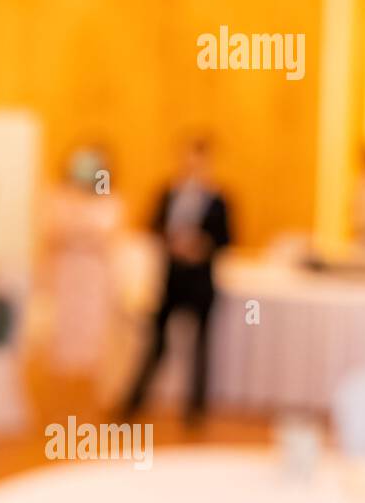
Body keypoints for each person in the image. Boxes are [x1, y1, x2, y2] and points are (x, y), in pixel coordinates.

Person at [120, 137, 231, 424]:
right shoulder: (169, 193)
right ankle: (134, 402)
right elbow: (152, 224)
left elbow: (227, 238)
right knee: (156, 343)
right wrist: (172, 242)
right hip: (172, 280)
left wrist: (201, 245)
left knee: (201, 348)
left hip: (201, 282)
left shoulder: (219, 199)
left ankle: (196, 410)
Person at [44, 146, 123, 379]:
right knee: (64, 329)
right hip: (67, 272)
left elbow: (105, 236)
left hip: (94, 274)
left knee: (92, 330)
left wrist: (80, 232)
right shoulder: (60, 198)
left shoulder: (110, 201)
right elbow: (55, 233)